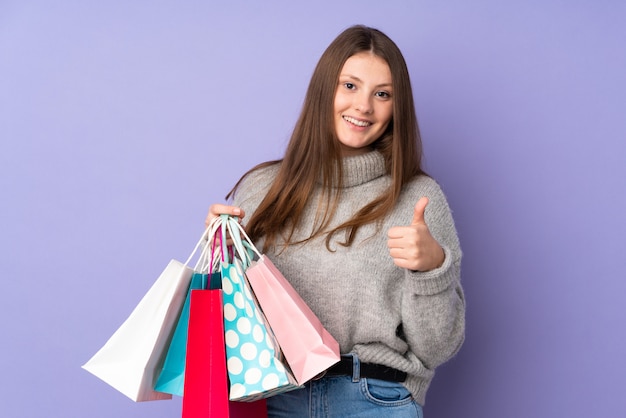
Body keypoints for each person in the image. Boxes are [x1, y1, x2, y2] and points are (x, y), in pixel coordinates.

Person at [206, 24, 464, 418]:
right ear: (325, 90)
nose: (364, 106)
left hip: (376, 401)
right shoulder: (263, 189)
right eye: (350, 86)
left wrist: (432, 270)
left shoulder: (418, 199)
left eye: (382, 94)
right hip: (276, 399)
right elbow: (234, 322)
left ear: (397, 107)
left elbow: (437, 348)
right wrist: (220, 249)